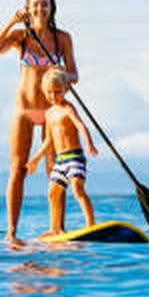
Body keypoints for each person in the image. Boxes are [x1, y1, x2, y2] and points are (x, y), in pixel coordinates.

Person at [0, 0, 79, 243]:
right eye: (35, 5)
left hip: (52, 112)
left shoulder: (63, 39)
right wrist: (11, 22)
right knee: (18, 169)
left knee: (56, 169)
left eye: (45, 4)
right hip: (24, 110)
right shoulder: (21, 37)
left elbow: (74, 75)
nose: (40, 9)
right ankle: (12, 233)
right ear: (28, 9)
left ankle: (57, 229)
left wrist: (62, 76)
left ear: (52, 8)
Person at [27, 67, 98, 235]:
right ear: (44, 92)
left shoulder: (68, 108)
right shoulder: (49, 113)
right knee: (53, 193)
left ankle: (91, 224)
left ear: (66, 89)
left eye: (57, 92)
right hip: (60, 161)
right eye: (50, 92)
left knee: (77, 188)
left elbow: (81, 126)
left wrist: (89, 144)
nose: (53, 96)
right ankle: (55, 228)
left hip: (74, 157)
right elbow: (48, 141)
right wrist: (35, 159)